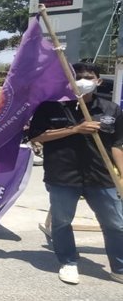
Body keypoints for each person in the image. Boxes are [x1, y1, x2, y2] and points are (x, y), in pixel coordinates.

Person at [29, 62, 123, 285]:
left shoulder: (111, 110)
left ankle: (119, 267)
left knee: (116, 224)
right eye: (78, 76)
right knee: (62, 222)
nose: (83, 80)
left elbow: (118, 146)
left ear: (98, 81)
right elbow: (37, 136)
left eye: (89, 77)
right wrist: (75, 129)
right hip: (63, 176)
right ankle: (68, 262)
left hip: (102, 176)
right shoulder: (51, 107)